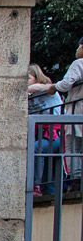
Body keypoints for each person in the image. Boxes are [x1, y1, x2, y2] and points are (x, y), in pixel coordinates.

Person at [28, 36, 83, 186]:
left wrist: (54, 88)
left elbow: (65, 84)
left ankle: (75, 179)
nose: (77, 49)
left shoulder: (79, 63)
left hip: (76, 112)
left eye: (79, 46)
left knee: (73, 146)